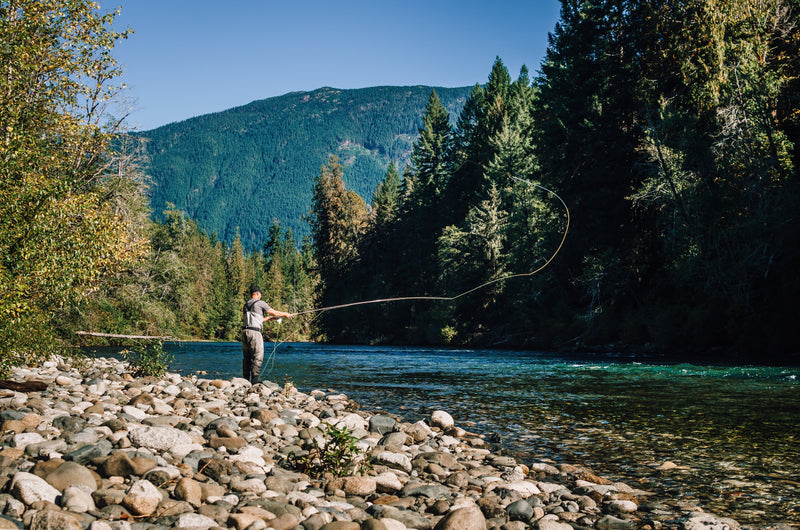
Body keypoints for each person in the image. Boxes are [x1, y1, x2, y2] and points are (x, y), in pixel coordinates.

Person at [241, 285, 293, 384]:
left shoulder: (246, 304)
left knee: (247, 357)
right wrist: (286, 314)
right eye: (259, 295)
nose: (260, 297)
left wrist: (270, 319)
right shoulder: (260, 303)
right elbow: (274, 312)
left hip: (244, 332)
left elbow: (256, 319)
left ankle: (246, 380)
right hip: (255, 333)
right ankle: (255, 380)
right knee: (258, 355)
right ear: (257, 294)